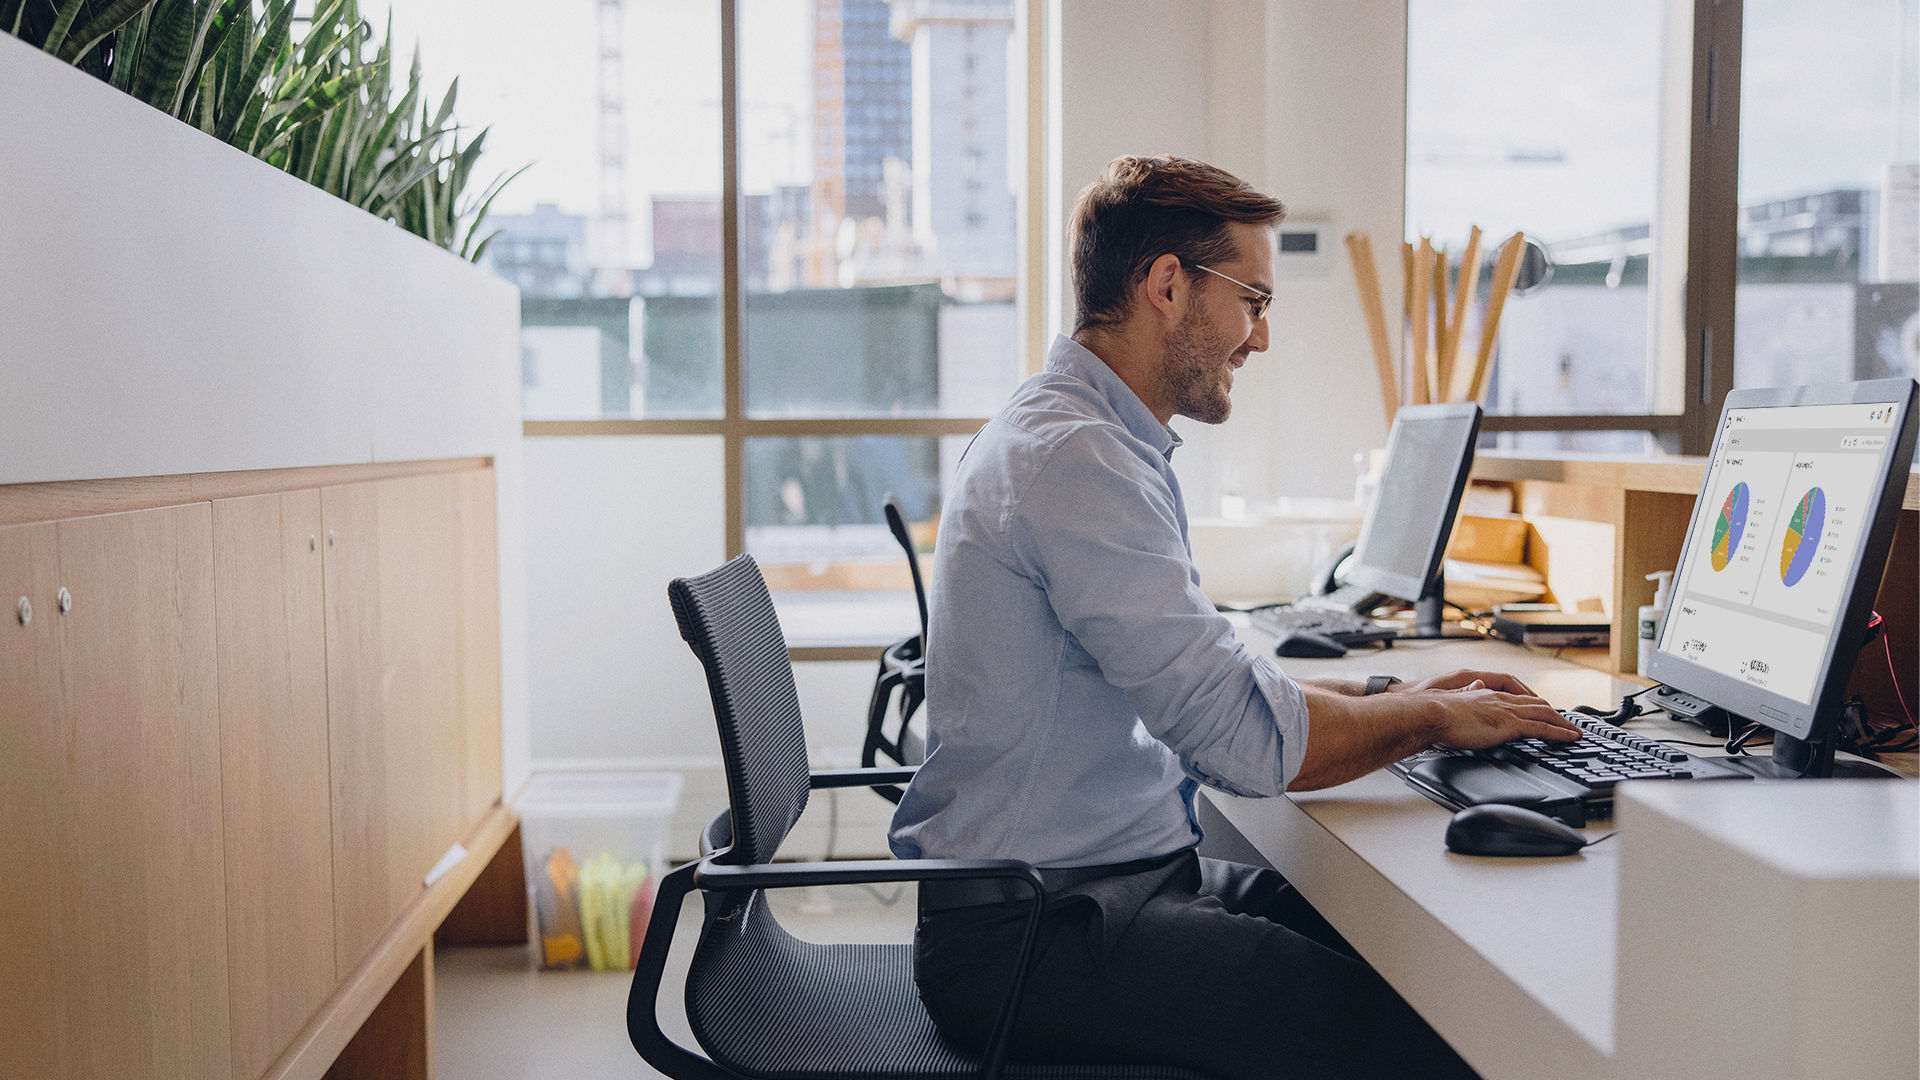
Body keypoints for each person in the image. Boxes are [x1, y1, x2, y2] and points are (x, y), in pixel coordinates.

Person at [887, 155, 1582, 1080]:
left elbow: (1219, 678)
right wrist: (1427, 719)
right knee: (1433, 1038)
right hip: (1035, 938)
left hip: (1092, 890)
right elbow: (1243, 744)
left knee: (1414, 971)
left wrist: (1397, 690)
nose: (1260, 337)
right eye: (1254, 298)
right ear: (1168, 285)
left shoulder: (1089, 437)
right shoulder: (1076, 459)